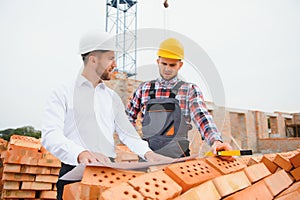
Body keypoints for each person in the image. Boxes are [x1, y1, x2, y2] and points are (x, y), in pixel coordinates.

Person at [41, 30, 173, 200]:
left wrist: (148, 154)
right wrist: (81, 153)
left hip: (107, 174)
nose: (115, 64)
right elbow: (50, 135)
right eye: (111, 58)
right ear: (93, 59)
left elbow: (127, 134)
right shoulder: (63, 93)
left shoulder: (112, 98)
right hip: (74, 174)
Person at [126, 37, 234, 160]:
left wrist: (216, 141)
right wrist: (137, 144)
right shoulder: (144, 89)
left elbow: (202, 117)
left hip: (178, 159)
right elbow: (127, 119)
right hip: (148, 159)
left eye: (172, 65)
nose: (167, 69)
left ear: (180, 65)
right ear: (158, 61)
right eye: (164, 64)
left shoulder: (189, 90)